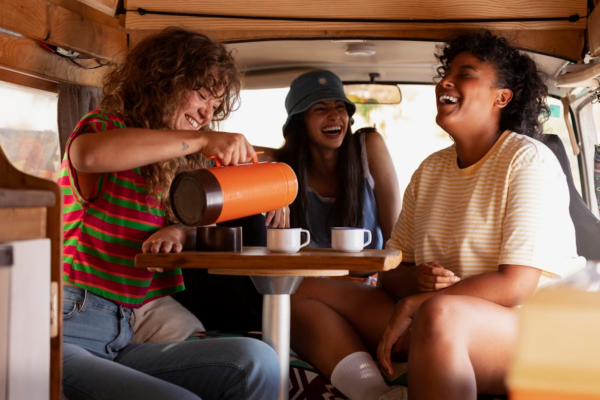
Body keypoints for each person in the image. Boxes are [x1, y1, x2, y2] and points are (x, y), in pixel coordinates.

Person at [289, 32, 584, 400]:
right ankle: (374, 393)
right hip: (438, 318)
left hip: (532, 327)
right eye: (447, 73)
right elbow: (391, 275)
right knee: (301, 290)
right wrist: (419, 281)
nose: (445, 81)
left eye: (466, 74)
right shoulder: (430, 171)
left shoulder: (527, 160)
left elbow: (516, 286)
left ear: (501, 97)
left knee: (441, 314)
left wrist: (419, 302)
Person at [59, 27, 279, 400]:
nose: (208, 111)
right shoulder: (105, 127)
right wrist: (202, 139)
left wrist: (179, 229)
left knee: (257, 360)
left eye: (216, 103)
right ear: (165, 80)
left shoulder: (169, 167)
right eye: (203, 93)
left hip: (124, 329)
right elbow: (88, 156)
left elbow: (201, 213)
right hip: (68, 327)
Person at [266, 70, 400, 251]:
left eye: (340, 107)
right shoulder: (284, 164)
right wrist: (275, 187)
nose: (334, 115)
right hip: (308, 279)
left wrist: (384, 279)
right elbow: (237, 153)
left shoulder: (368, 146)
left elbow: (395, 239)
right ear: (299, 123)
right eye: (320, 108)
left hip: (367, 278)